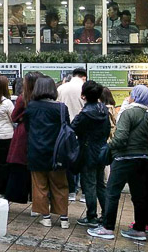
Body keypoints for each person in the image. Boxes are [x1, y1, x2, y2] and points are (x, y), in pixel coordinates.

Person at [88, 85, 148, 241]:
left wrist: (108, 146)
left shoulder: (127, 113)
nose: (129, 97)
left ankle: (107, 228)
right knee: (138, 196)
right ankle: (140, 230)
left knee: (112, 193)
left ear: (135, 97)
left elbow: (121, 138)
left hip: (124, 159)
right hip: (142, 160)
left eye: (131, 95)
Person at [24, 76, 71, 229]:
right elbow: (67, 128)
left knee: (40, 186)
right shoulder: (62, 108)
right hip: (58, 153)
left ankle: (46, 217)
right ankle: (64, 219)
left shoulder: (31, 106)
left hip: (36, 151)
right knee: (60, 185)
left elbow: (27, 128)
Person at [71, 80, 110, 227]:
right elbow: (107, 130)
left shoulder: (85, 114)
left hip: (87, 151)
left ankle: (91, 216)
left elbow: (73, 128)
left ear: (84, 95)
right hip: (101, 150)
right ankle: (106, 214)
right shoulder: (104, 110)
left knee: (89, 184)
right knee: (101, 184)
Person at [6, 71, 39, 203]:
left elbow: (14, 117)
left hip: (23, 132)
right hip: (37, 133)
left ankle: (17, 196)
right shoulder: (42, 98)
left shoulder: (23, 97)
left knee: (18, 164)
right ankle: (34, 198)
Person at [58, 67, 86, 200]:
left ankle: (71, 191)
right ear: (83, 77)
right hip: (81, 128)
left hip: (64, 129)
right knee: (82, 159)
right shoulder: (85, 88)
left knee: (69, 159)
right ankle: (84, 192)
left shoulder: (61, 88)